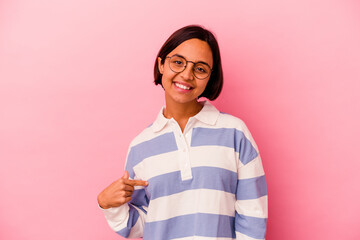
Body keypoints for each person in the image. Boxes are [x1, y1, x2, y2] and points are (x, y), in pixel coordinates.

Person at [97, 25, 268, 240]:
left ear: (210, 78)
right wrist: (108, 205)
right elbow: (141, 227)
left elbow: (253, 215)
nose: (186, 74)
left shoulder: (235, 133)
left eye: (200, 68)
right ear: (161, 64)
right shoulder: (140, 146)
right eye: (178, 62)